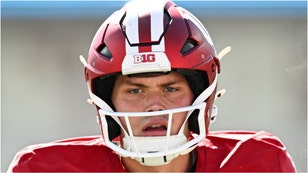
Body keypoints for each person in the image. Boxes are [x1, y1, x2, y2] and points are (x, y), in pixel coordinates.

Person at [8, 0, 296, 172]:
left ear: (202, 94)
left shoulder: (260, 163)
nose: (154, 104)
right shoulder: (42, 169)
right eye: (135, 90)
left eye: (170, 89)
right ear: (105, 99)